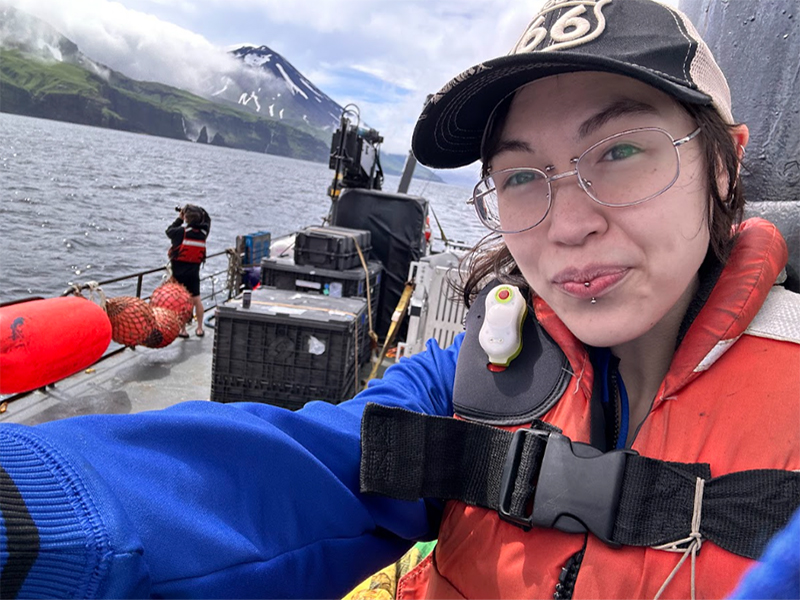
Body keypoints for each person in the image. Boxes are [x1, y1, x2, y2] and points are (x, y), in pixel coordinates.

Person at [0, 1, 798, 598]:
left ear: (724, 164)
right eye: (522, 176)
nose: (570, 225)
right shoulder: (477, 376)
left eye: (620, 151)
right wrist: (32, 511)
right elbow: (291, 474)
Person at [166, 203, 210, 337]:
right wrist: (198, 211)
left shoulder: (181, 232)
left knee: (182, 302)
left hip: (179, 273)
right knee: (197, 300)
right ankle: (200, 328)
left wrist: (180, 218)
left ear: (186, 218)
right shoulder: (203, 233)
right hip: (194, 272)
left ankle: (183, 330)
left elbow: (169, 231)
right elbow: (208, 220)